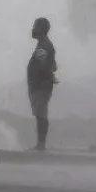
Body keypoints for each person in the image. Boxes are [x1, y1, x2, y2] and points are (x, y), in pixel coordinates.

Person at [26, 16, 58, 150]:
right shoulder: (44, 44)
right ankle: (40, 143)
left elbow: (43, 65)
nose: (32, 29)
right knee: (40, 114)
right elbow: (53, 65)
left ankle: (41, 144)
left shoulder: (43, 45)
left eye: (35, 26)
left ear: (41, 29)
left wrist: (47, 76)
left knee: (41, 115)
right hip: (41, 85)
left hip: (40, 86)